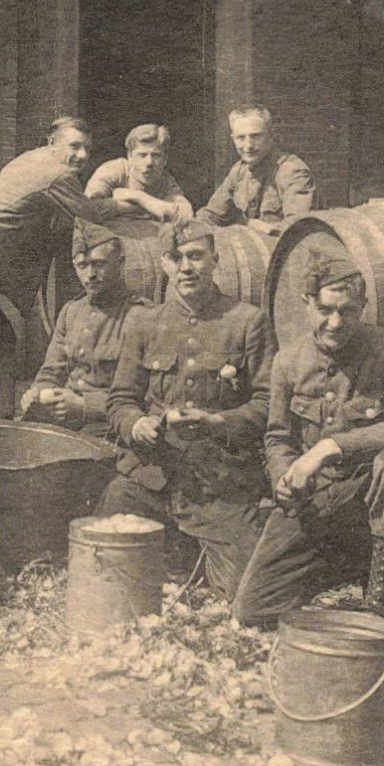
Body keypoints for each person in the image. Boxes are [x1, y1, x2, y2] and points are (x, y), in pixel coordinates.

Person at [231, 232, 384, 629]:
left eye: (348, 311)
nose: (335, 322)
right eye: (325, 309)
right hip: (317, 503)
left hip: (370, 498)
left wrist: (328, 446)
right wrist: (283, 480)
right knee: (252, 610)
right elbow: (278, 437)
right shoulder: (289, 361)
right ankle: (341, 570)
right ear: (307, 303)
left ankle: (382, 603)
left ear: (363, 307)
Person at [0, 117, 173, 418]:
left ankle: (1, 419)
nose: (82, 156)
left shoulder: (30, 159)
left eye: (87, 148)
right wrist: (139, 200)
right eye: (74, 146)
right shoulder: (57, 176)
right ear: (52, 144)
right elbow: (89, 216)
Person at [101, 218, 274, 600]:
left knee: (243, 592)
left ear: (215, 259)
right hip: (154, 475)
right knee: (111, 549)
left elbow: (268, 404)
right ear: (165, 265)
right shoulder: (144, 322)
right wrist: (137, 423)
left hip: (220, 482)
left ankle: (194, 554)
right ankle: (181, 554)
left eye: (196, 256)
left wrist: (219, 421)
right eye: (176, 258)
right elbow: (120, 399)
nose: (186, 267)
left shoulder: (247, 321)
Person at [19, 220, 150, 440]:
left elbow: (149, 397)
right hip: (64, 421)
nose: (90, 274)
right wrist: (38, 392)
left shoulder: (143, 316)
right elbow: (51, 372)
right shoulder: (71, 312)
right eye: (82, 266)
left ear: (120, 262)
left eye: (99, 264)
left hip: (108, 426)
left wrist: (85, 406)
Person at [198, 106, 316, 237]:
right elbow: (212, 214)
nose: (248, 146)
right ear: (233, 139)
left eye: (256, 136)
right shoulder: (238, 171)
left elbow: (298, 227)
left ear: (271, 135)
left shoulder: (292, 171)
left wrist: (262, 228)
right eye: (241, 138)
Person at [84, 124, 193, 223]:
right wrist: (143, 203)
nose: (149, 162)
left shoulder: (164, 179)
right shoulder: (115, 169)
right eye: (142, 155)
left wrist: (135, 196)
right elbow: (88, 208)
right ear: (130, 156)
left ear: (165, 159)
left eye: (156, 155)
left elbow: (186, 214)